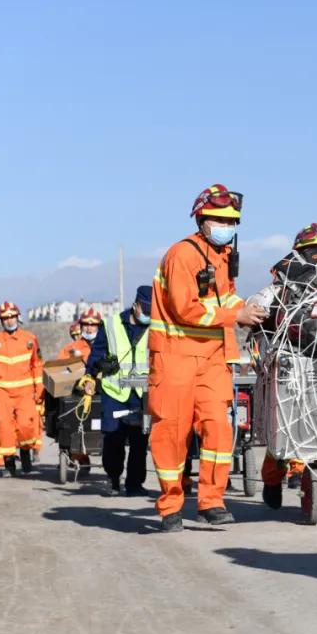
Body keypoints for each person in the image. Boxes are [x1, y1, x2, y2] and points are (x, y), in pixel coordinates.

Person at [148, 184, 267, 531]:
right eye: (218, 218)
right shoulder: (181, 255)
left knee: (219, 429)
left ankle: (211, 501)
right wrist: (235, 317)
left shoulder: (223, 256)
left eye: (230, 220)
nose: (225, 225)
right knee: (172, 432)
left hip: (213, 357)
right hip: (175, 357)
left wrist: (246, 308)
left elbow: (225, 298)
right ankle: (170, 505)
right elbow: (185, 309)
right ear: (201, 219)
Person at [256, 223, 317, 514]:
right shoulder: (281, 286)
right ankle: (272, 480)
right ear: (299, 255)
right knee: (284, 430)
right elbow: (255, 306)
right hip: (292, 370)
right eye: (311, 252)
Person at [83, 287, 152, 496]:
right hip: (115, 392)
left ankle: (134, 484)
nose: (149, 315)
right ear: (135, 306)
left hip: (141, 393)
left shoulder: (156, 327)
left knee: (140, 441)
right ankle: (113, 478)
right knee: (113, 438)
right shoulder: (111, 324)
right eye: (146, 310)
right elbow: (97, 352)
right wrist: (89, 377)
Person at [0, 301, 44, 477]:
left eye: (12, 317)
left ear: (18, 317)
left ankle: (25, 453)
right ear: (1, 320)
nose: (9, 321)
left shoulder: (30, 339)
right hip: (2, 394)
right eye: (5, 318)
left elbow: (37, 366)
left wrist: (40, 390)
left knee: (26, 425)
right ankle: (9, 465)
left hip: (25, 393)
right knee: (5, 430)